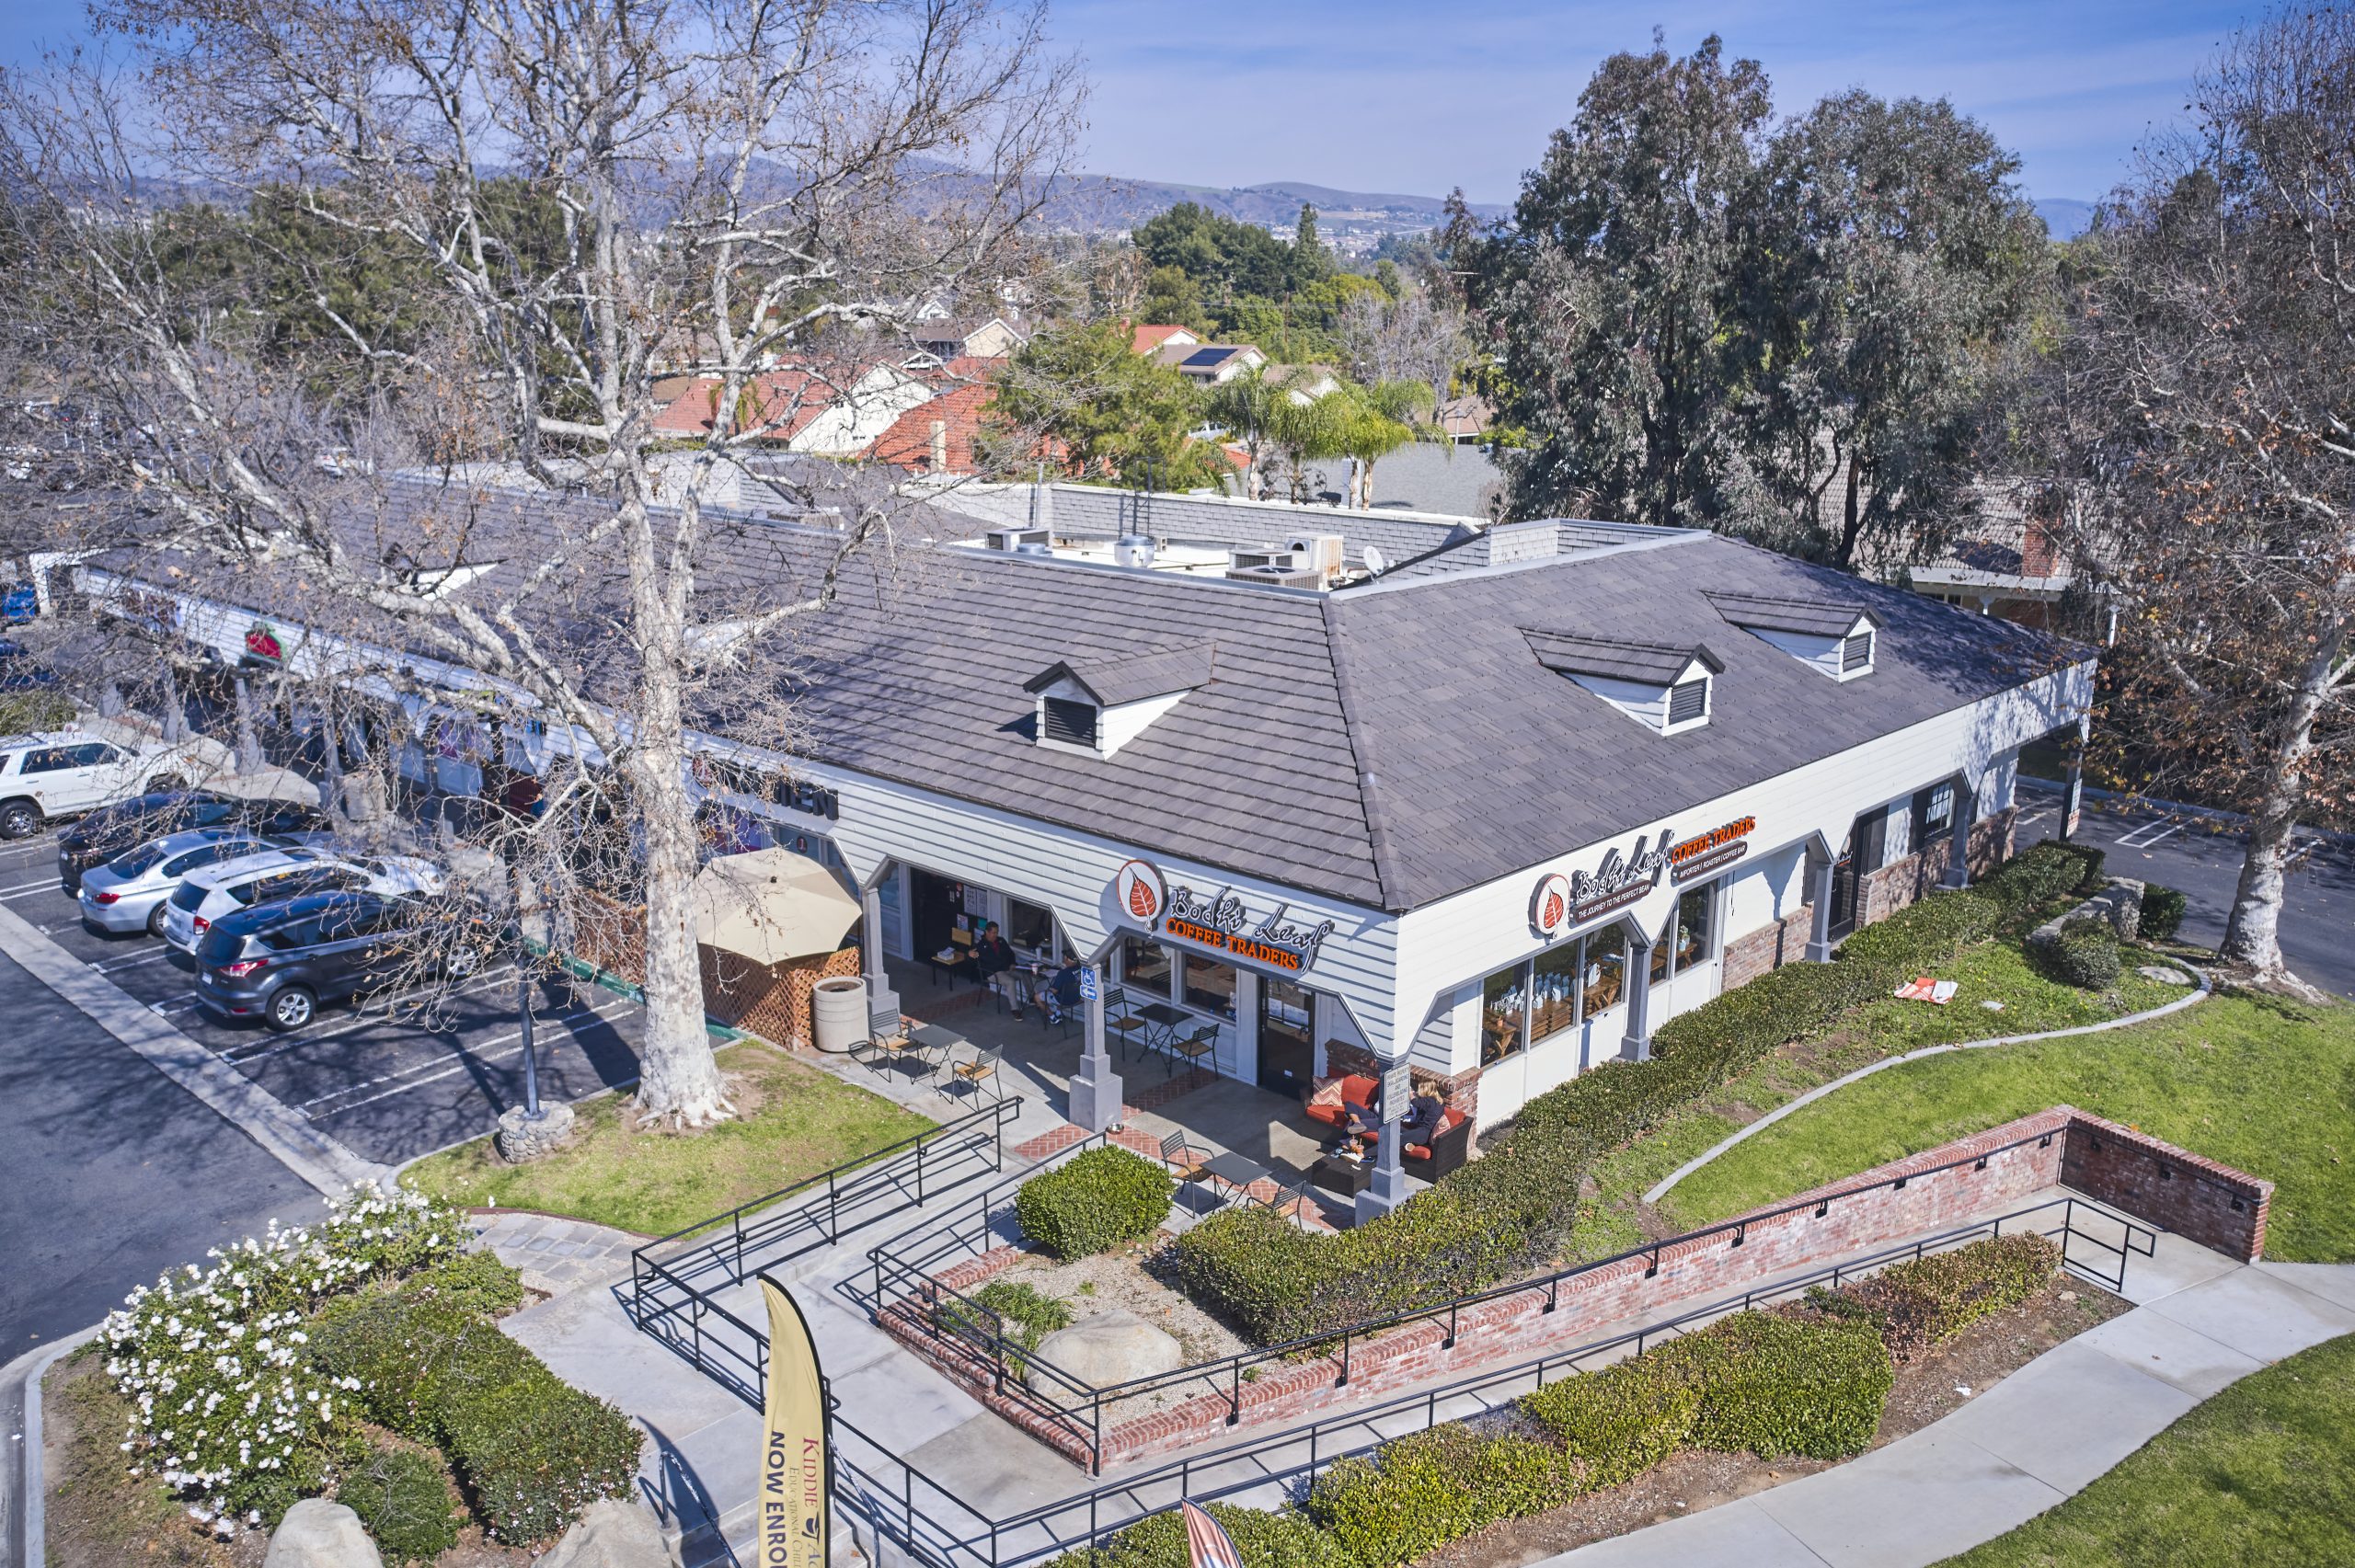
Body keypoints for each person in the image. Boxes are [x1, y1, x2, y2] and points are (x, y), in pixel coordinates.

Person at [974, 922, 1020, 1015]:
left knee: (1025, 973)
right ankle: (1015, 1009)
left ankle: (1033, 999)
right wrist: (968, 954)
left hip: (1007, 968)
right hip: (994, 973)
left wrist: (1012, 963)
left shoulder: (1001, 941)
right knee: (1010, 981)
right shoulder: (981, 945)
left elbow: (1010, 953)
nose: (996, 935)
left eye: (997, 932)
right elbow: (972, 957)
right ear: (987, 932)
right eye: (994, 932)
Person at [1041, 959, 1083, 1025]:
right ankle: (1058, 1014)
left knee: (1037, 997)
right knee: (1062, 993)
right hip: (1077, 998)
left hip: (1064, 1000)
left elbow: (1054, 991)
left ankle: (1053, 1018)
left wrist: (1049, 989)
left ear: (1067, 959)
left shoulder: (1062, 973)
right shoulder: (1081, 968)